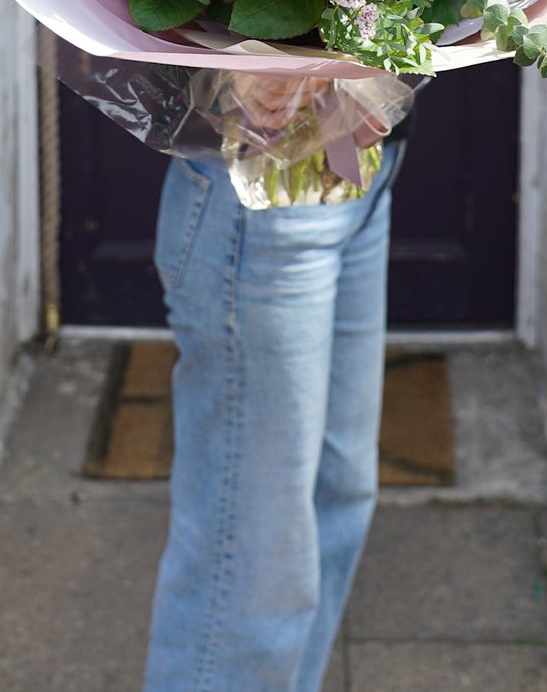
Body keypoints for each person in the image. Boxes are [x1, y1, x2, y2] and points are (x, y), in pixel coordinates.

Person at [143, 71, 406, 692]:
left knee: (338, 495)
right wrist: (230, 71)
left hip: (365, 169)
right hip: (258, 190)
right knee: (252, 553)